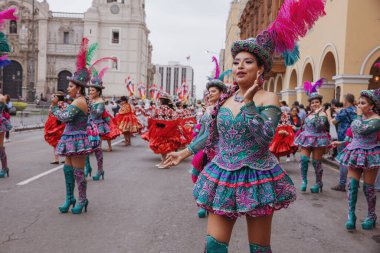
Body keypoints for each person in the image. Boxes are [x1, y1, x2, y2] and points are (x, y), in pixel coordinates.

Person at [51, 37, 93, 214]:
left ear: (78, 88)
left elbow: (65, 117)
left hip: (77, 139)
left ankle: (82, 200)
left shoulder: (80, 101)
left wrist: (54, 107)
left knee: (78, 172)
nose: (67, 88)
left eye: (70, 86)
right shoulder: (76, 100)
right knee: (67, 169)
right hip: (69, 138)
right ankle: (70, 198)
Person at [332, 88, 380, 231]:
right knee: (352, 185)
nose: (358, 106)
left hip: (370, 153)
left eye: (363, 103)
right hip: (354, 151)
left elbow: (361, 129)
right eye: (358, 103)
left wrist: (358, 117)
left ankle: (371, 216)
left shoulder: (377, 119)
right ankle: (351, 216)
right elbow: (352, 134)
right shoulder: (359, 118)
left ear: (371, 106)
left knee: (368, 188)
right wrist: (341, 143)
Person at [189, 67, 228, 218]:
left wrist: (189, 148)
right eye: (209, 91)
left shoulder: (222, 109)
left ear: (221, 94)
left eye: (213, 91)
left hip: (217, 150)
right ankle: (202, 203)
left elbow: (213, 131)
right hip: (202, 147)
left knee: (210, 178)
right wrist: (194, 136)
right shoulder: (206, 109)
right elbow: (202, 128)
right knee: (196, 174)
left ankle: (209, 205)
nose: (209, 94)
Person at [294, 78, 330, 193]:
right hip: (307, 139)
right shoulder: (308, 114)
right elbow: (304, 126)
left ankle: (318, 182)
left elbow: (320, 126)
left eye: (317, 102)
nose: (315, 104)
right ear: (310, 104)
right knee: (304, 159)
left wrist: (319, 113)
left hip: (318, 139)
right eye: (313, 102)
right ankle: (304, 181)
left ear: (320, 103)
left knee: (316, 162)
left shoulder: (323, 114)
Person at [85, 67, 111, 180]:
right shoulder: (89, 100)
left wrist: (90, 105)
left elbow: (98, 114)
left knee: (96, 149)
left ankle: (100, 170)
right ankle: (87, 167)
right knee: (85, 148)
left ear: (98, 91)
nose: (90, 92)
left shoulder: (100, 102)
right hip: (87, 126)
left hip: (97, 127)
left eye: (93, 91)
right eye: (90, 90)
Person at [327, 93, 356, 191]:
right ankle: (354, 182)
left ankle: (342, 184)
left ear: (346, 101)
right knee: (352, 160)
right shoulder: (356, 110)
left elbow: (332, 122)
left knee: (343, 161)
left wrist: (328, 114)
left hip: (343, 138)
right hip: (354, 138)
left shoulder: (344, 111)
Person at [147, 94, 182, 168]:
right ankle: (164, 162)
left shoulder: (157, 109)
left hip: (159, 130)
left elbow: (150, 119)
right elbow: (177, 120)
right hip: (169, 131)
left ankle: (165, 163)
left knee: (162, 147)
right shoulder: (171, 110)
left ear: (161, 101)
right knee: (166, 147)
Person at [44, 91, 66, 164]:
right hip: (61, 124)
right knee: (63, 141)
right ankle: (65, 157)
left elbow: (50, 113)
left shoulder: (54, 105)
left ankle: (56, 158)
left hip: (54, 124)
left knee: (55, 142)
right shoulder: (65, 104)